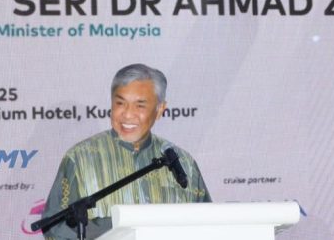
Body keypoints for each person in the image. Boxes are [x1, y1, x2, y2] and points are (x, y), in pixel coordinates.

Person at [42, 64, 211, 240]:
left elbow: (208, 223)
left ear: (160, 109)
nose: (128, 114)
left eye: (140, 105)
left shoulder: (183, 162)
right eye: (120, 103)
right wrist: (117, 230)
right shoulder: (80, 158)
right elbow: (54, 227)